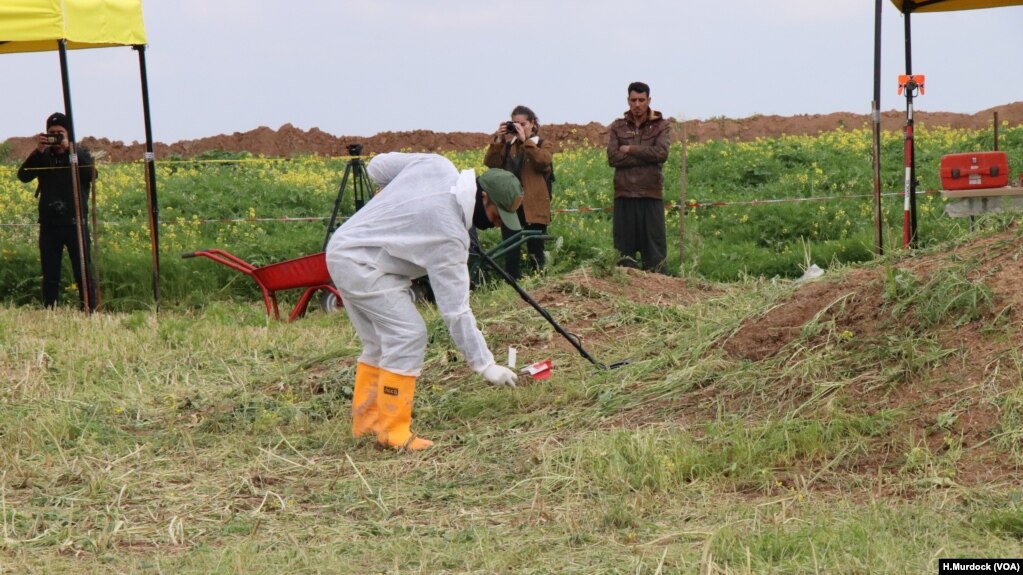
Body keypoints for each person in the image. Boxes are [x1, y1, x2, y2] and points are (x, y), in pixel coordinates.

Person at [325, 153, 521, 451]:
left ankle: (366, 424)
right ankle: (393, 432)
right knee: (407, 334)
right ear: (483, 197)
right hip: (361, 264)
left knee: (379, 343)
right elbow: (456, 310)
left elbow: (377, 166)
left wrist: (393, 197)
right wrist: (485, 365)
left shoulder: (437, 165)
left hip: (345, 248)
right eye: (496, 216)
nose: (495, 226)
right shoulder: (449, 236)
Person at [17, 112, 98, 310]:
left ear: (68, 134)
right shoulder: (43, 156)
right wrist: (37, 151)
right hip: (49, 224)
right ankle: (49, 309)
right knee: (50, 272)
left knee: (83, 271)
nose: (55, 137)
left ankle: (90, 309)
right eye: (51, 133)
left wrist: (70, 149)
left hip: (75, 223)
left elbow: (92, 175)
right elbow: (23, 176)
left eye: (59, 133)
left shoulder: (79, 154)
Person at [606, 81, 671, 273]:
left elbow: (661, 154)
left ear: (648, 100)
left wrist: (631, 149)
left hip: (650, 195)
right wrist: (645, 156)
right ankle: (627, 295)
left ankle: (661, 296)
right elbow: (613, 157)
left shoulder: (661, 126)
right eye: (633, 100)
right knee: (624, 255)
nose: (637, 104)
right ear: (628, 100)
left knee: (655, 254)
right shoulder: (618, 126)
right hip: (624, 195)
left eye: (641, 100)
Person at [484, 105, 554, 279]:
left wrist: (526, 141)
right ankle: (512, 282)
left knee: (536, 251)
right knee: (511, 249)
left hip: (535, 205)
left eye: (522, 124)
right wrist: (499, 141)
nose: (518, 128)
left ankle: (539, 282)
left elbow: (542, 162)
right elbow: (491, 164)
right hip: (512, 205)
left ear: (532, 124)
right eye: (514, 124)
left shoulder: (542, 144)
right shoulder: (508, 146)